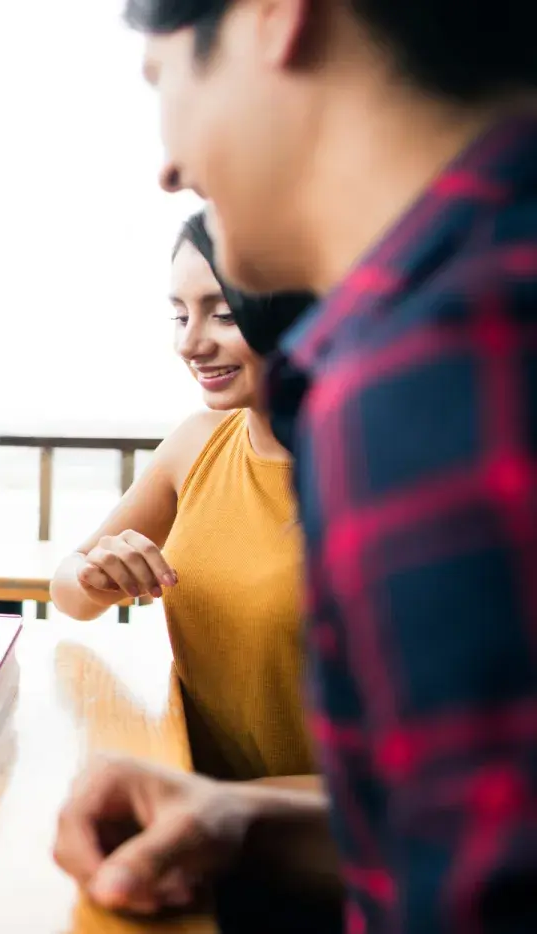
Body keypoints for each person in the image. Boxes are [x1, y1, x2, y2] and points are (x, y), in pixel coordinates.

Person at [53, 1, 537, 931]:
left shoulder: (439, 364)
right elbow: (458, 832)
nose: (169, 166)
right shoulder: (413, 337)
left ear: (274, 17)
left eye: (166, 82)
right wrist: (239, 818)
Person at [51, 211, 317, 783]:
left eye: (223, 314)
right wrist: (97, 575)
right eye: (179, 314)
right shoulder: (197, 442)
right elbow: (67, 590)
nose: (189, 343)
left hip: (311, 846)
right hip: (196, 812)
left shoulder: (373, 479)